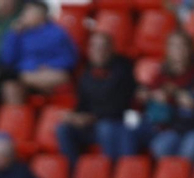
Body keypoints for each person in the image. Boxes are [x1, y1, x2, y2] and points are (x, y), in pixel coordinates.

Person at [55, 31, 137, 166]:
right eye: (95, 47)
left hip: (115, 124)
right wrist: (74, 117)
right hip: (91, 125)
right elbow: (82, 104)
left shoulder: (123, 70)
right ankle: (74, 172)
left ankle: (111, 172)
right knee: (63, 129)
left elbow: (121, 106)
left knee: (105, 128)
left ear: (111, 49)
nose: (99, 51)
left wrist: (91, 118)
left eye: (103, 47)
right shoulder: (85, 74)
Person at [0, 0, 77, 104]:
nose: (23, 15)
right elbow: (7, 59)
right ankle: (18, 118)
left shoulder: (57, 33)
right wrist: (14, 35)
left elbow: (69, 58)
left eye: (28, 11)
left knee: (59, 77)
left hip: (49, 73)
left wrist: (49, 65)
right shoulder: (19, 34)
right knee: (10, 87)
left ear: (40, 14)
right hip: (25, 73)